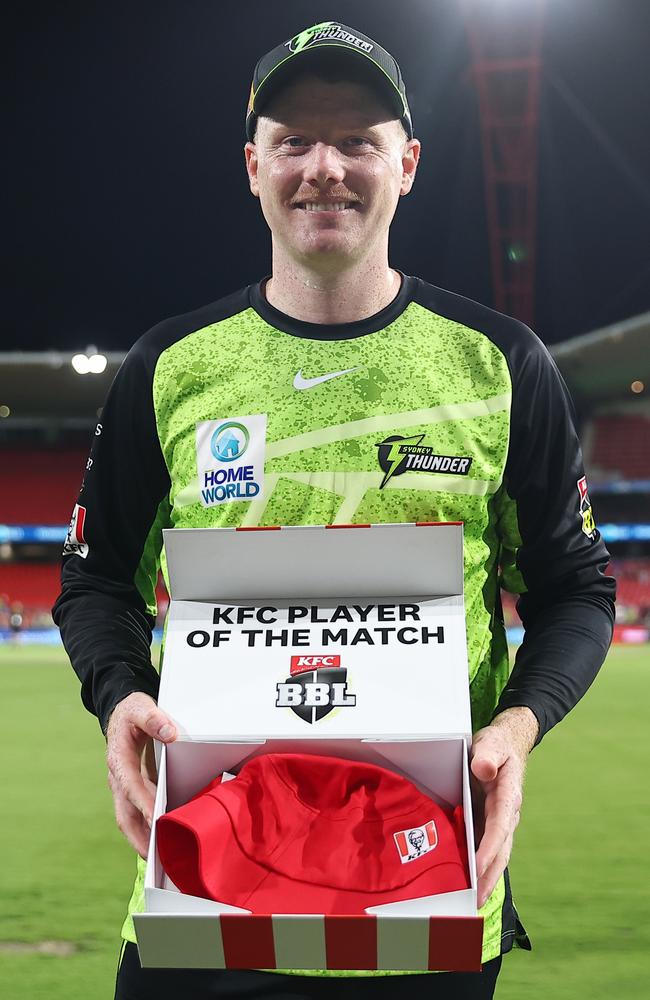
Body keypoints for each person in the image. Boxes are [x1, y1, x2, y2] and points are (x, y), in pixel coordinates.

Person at [53, 19, 616, 1000]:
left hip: (426, 894)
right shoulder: (169, 368)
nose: (324, 167)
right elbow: (96, 578)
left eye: (356, 140)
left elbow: (575, 588)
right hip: (209, 894)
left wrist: (517, 728)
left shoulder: (498, 364)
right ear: (251, 165)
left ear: (405, 163)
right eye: (293, 141)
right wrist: (117, 696)